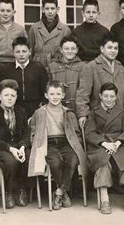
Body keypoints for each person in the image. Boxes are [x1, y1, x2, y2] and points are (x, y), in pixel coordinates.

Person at [28, 81, 87, 210]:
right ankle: (63, 192)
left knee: (72, 161)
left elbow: (76, 133)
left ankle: (59, 192)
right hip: (48, 143)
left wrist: (76, 145)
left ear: (63, 95)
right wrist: (37, 145)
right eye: (52, 94)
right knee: (55, 162)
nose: (55, 97)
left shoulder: (68, 112)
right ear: (46, 95)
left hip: (65, 141)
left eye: (58, 94)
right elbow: (33, 132)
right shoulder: (39, 113)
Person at [84, 82, 124, 214]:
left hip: (120, 144)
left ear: (116, 97)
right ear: (100, 96)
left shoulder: (122, 112)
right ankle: (104, 200)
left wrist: (118, 142)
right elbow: (89, 133)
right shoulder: (94, 113)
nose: (109, 99)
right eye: (106, 96)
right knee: (102, 161)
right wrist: (104, 143)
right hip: (101, 145)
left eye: (112, 96)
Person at [0, 79, 30, 208]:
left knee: (27, 157)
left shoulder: (21, 111)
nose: (9, 98)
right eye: (6, 95)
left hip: (18, 145)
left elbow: (25, 134)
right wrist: (11, 149)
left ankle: (22, 190)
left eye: (13, 95)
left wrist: (22, 147)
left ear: (16, 97)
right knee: (11, 162)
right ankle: (8, 192)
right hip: (0, 147)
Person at [76, 34, 124, 129]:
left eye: (116, 48)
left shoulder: (121, 68)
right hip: (98, 119)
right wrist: (83, 114)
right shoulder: (91, 67)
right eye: (110, 47)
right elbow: (82, 94)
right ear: (102, 49)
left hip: (119, 118)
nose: (113, 51)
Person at [0, 37, 49, 118]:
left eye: (24, 51)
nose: (21, 54)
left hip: (35, 107)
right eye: (18, 51)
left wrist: (43, 103)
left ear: (30, 52)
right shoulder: (6, 70)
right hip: (13, 107)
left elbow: (45, 87)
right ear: (13, 53)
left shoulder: (38, 67)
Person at [0, 0, 27, 88]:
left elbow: (25, 47)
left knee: (15, 88)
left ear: (13, 12)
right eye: (2, 10)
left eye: (8, 11)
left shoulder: (20, 29)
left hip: (14, 63)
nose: (5, 13)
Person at [48, 35, 86, 112]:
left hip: (76, 109)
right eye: (66, 49)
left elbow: (85, 92)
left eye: (73, 49)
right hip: (56, 109)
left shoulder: (83, 67)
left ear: (77, 50)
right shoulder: (52, 66)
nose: (70, 51)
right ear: (61, 50)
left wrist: (82, 113)